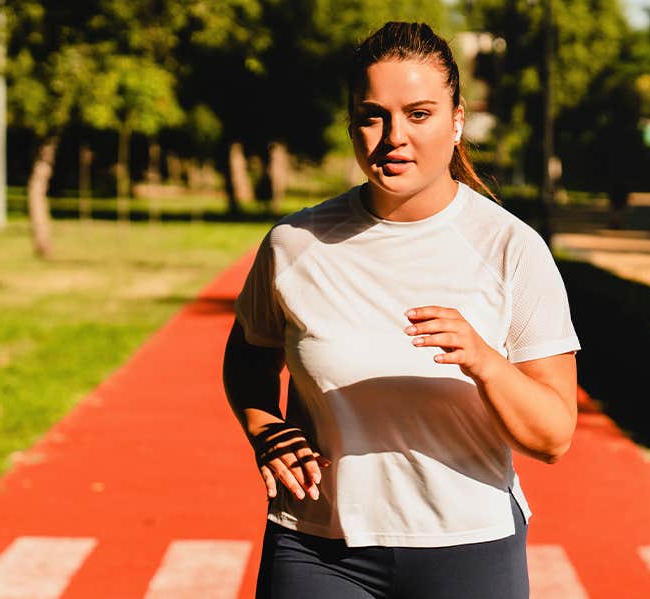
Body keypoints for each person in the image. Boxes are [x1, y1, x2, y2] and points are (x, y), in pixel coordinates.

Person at [223, 21, 580, 599]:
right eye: (373, 115)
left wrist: (485, 362)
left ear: (456, 120)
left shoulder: (511, 248)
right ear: (352, 125)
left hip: (468, 545)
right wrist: (265, 428)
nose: (394, 137)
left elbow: (554, 437)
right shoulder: (294, 244)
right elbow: (248, 362)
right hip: (317, 546)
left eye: (419, 114)